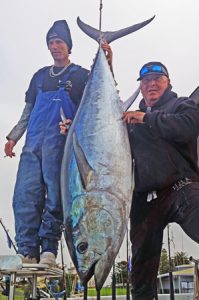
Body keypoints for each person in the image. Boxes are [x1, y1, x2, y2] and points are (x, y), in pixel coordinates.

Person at [4, 20, 112, 266]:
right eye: (51, 43)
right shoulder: (40, 76)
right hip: (32, 146)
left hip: (62, 147)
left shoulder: (82, 75)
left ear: (68, 46)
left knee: (56, 196)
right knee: (24, 196)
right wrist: (13, 136)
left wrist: (108, 62)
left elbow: (94, 107)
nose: (54, 47)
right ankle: (27, 249)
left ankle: (48, 249)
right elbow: (28, 111)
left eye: (59, 42)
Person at [122, 62, 199, 300]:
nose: (151, 84)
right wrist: (72, 129)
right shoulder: (129, 120)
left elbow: (188, 126)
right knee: (141, 278)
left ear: (168, 82)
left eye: (157, 79)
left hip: (182, 187)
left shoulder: (182, 105)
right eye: (146, 81)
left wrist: (147, 118)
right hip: (145, 200)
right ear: (141, 87)